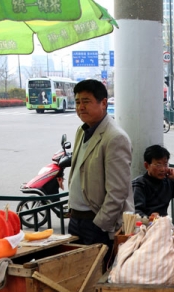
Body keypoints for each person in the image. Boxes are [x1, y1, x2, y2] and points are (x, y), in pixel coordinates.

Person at [68, 79, 134, 268]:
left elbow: (118, 191)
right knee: (77, 275)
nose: (81, 107)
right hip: (76, 220)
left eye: (86, 101)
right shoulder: (82, 131)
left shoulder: (115, 137)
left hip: (96, 223)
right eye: (78, 101)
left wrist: (99, 224)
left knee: (95, 277)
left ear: (103, 103)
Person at [132, 145, 174, 217]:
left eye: (165, 164)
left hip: (163, 224)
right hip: (144, 226)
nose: (163, 169)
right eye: (158, 165)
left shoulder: (168, 183)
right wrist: (149, 219)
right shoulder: (139, 184)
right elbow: (136, 211)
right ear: (147, 166)